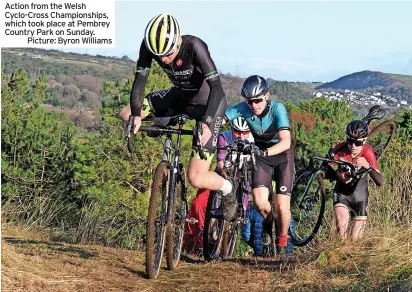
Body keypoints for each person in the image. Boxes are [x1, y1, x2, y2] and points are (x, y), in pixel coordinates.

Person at [119, 14, 232, 198]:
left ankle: (228, 188)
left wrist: (207, 123)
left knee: (196, 178)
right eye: (159, 55)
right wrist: (137, 116)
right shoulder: (149, 45)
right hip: (180, 97)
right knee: (126, 113)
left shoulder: (194, 46)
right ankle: (164, 122)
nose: (163, 60)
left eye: (168, 54)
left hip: (208, 105)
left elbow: (217, 89)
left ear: (178, 41)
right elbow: (140, 82)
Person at [224, 75, 294, 256]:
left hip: (282, 155)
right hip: (261, 154)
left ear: (267, 95)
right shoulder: (244, 109)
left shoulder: (278, 108)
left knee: (282, 206)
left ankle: (282, 241)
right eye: (249, 101)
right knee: (260, 202)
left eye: (257, 100)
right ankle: (268, 226)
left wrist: (266, 152)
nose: (254, 105)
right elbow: (222, 119)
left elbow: (286, 142)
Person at [183, 117, 253, 256]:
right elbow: (220, 165)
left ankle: (229, 231)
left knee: (243, 197)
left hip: (243, 176)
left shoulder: (255, 140)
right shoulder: (224, 137)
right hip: (222, 175)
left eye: (244, 133)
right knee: (199, 202)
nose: (240, 136)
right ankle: (202, 237)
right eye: (237, 132)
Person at [325, 120, 384, 240]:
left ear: (365, 141)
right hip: (342, 193)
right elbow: (325, 170)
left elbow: (380, 182)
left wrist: (368, 166)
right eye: (350, 141)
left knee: (356, 240)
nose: (353, 146)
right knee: (341, 230)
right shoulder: (340, 148)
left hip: (360, 197)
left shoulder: (367, 152)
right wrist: (338, 175)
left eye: (357, 143)